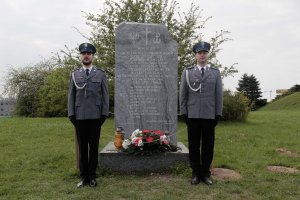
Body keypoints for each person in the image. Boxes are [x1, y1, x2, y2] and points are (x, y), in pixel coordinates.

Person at [180, 41, 223, 185]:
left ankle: (206, 173)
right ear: (195, 55)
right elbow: (183, 94)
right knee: (193, 145)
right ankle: (195, 173)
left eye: (204, 53)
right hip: (192, 115)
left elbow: (218, 95)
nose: (202, 55)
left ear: (207, 55)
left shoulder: (215, 73)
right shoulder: (187, 72)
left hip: (209, 115)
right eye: (199, 53)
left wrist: (218, 113)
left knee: (208, 146)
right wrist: (184, 112)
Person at [68, 42, 109, 188]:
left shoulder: (100, 74)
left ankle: (92, 176)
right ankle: (83, 176)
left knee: (94, 147)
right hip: (79, 117)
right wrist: (71, 114)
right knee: (82, 148)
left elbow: (105, 96)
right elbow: (71, 96)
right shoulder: (74, 74)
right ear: (80, 56)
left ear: (93, 56)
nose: (86, 56)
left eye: (89, 54)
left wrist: (104, 114)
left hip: (95, 117)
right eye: (84, 53)